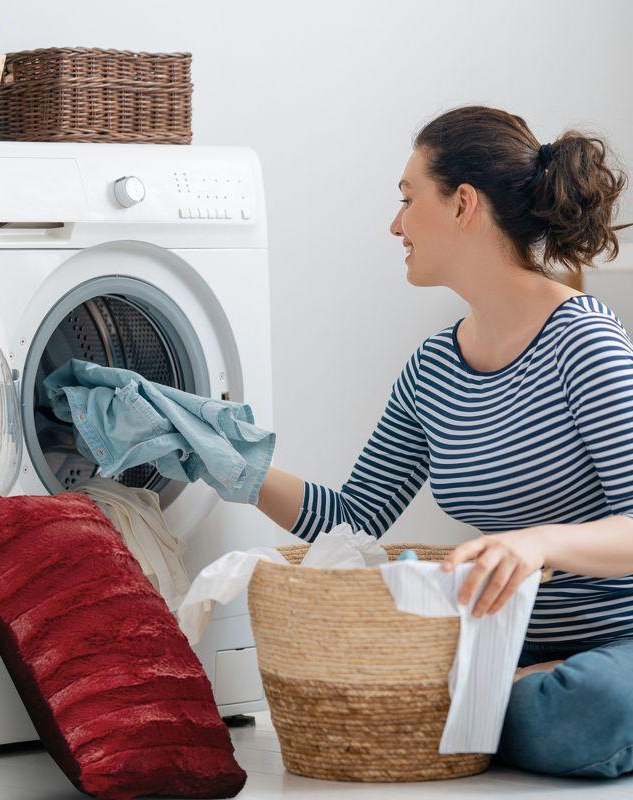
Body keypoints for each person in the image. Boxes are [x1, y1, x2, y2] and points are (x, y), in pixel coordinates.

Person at [254, 105, 633, 778]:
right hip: (504, 648)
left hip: (614, 644)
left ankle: (482, 710)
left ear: (463, 204)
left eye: (407, 199)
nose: (394, 224)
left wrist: (538, 542)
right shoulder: (433, 369)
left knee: (587, 706)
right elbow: (352, 521)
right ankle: (494, 701)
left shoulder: (585, 344)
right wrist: (232, 467)